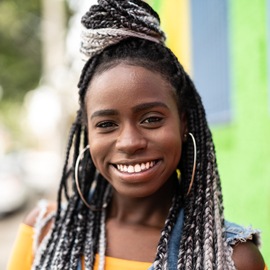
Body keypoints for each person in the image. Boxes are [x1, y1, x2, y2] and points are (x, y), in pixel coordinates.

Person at [7, 0, 266, 269]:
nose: (129, 142)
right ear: (87, 132)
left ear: (184, 123)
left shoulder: (232, 259)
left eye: (151, 119)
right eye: (106, 124)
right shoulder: (46, 233)